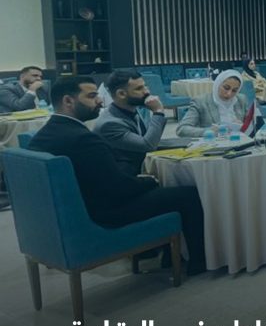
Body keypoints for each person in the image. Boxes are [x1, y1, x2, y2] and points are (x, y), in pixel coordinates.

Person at [28, 76, 206, 274]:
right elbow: (118, 188)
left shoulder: (41, 136)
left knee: (160, 190)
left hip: (66, 215)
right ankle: (198, 262)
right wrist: (148, 181)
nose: (100, 100)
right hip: (103, 213)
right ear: (68, 101)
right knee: (188, 195)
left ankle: (169, 256)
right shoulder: (84, 140)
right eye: (92, 96)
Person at [95, 69, 168, 175]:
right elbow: (147, 146)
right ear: (121, 94)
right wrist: (158, 112)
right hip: (124, 178)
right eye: (139, 88)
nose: (147, 92)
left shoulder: (131, 109)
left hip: (139, 169)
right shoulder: (109, 124)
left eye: (145, 86)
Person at [177, 70, 248, 138]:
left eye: (234, 90)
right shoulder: (201, 102)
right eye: (226, 88)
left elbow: (251, 124)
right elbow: (182, 129)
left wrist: (243, 125)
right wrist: (208, 131)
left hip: (238, 141)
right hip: (213, 143)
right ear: (218, 84)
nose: (229, 93)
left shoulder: (241, 100)